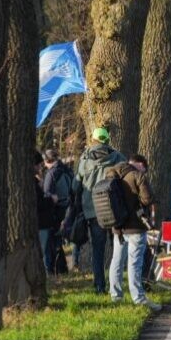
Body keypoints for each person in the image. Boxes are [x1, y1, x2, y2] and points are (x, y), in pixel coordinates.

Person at [71, 126, 126, 293]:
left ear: (92, 140)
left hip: (93, 211)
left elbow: (75, 186)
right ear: (108, 140)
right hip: (115, 210)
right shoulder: (117, 157)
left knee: (98, 250)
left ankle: (100, 286)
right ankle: (117, 285)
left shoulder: (84, 160)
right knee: (119, 246)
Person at [107, 153, 160, 312]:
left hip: (118, 227)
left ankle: (115, 296)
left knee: (116, 260)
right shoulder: (137, 176)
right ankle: (138, 297)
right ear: (140, 165)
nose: (145, 172)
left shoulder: (112, 174)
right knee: (134, 263)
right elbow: (147, 199)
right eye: (144, 168)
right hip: (136, 226)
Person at [41, 149, 74, 274]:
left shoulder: (51, 173)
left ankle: (52, 269)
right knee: (59, 241)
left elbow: (47, 193)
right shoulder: (68, 170)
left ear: (47, 160)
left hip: (56, 210)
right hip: (68, 209)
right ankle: (62, 269)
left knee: (52, 241)